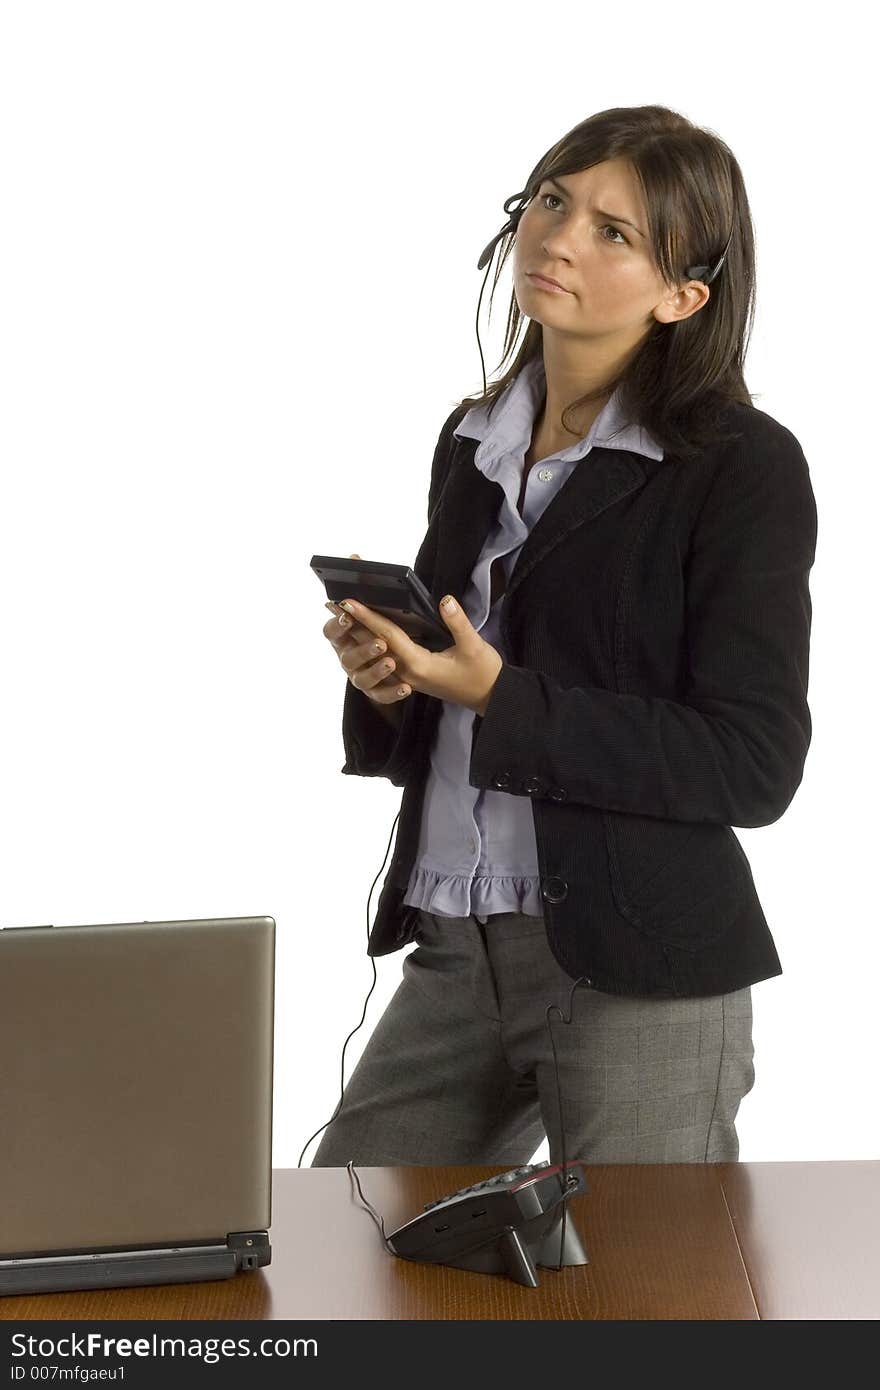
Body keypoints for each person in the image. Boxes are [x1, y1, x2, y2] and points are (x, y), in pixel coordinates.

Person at [310, 104, 818, 1168]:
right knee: (348, 1250)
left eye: (613, 232)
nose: (558, 238)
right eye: (552, 201)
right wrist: (392, 681)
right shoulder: (472, 438)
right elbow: (460, 688)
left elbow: (753, 763)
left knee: (650, 1306)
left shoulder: (742, 467)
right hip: (458, 944)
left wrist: (502, 696)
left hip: (638, 965)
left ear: (684, 296)